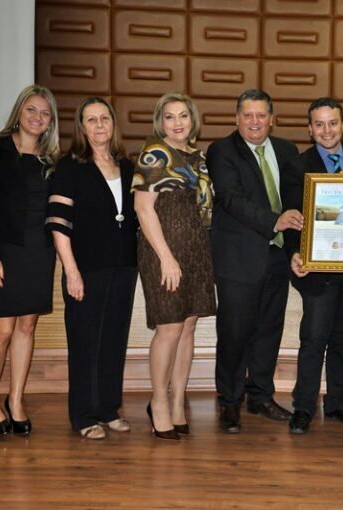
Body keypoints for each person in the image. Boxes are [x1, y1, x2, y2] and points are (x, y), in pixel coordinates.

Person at [207, 89, 304, 433]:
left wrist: (295, 248)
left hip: (277, 257)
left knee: (268, 330)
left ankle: (260, 395)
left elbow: (298, 202)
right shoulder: (221, 151)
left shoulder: (287, 151)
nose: (254, 122)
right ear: (236, 118)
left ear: (271, 119)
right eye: (247, 115)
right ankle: (230, 401)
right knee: (234, 332)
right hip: (238, 259)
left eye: (261, 115)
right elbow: (231, 199)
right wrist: (273, 221)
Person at [282, 97, 343, 434]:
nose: (326, 130)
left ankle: (337, 402)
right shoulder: (297, 165)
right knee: (314, 338)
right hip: (317, 270)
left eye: (332, 123)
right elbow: (294, 215)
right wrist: (294, 254)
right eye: (319, 124)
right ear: (309, 129)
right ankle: (304, 406)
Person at [46, 97, 138, 440]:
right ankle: (84, 415)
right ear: (81, 127)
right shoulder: (70, 167)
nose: (99, 126)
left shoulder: (127, 167)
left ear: (113, 124)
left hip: (124, 268)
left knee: (114, 340)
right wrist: (71, 271)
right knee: (85, 343)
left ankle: (108, 409)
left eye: (105, 119)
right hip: (85, 268)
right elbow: (58, 224)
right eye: (91, 120)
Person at [0, 85, 60, 437]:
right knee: (3, 329)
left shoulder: (51, 160)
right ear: (19, 112)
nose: (38, 118)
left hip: (39, 253)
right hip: (3, 252)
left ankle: (17, 400)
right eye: (32, 110)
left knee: (27, 327)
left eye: (45, 113)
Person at [133, 92, 216, 440]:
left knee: (188, 327)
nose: (178, 122)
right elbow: (143, 208)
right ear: (160, 121)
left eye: (184, 116)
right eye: (170, 117)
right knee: (168, 328)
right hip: (162, 252)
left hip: (196, 249)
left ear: (192, 120)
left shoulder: (198, 157)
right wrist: (166, 257)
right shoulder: (155, 154)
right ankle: (159, 403)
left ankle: (179, 401)